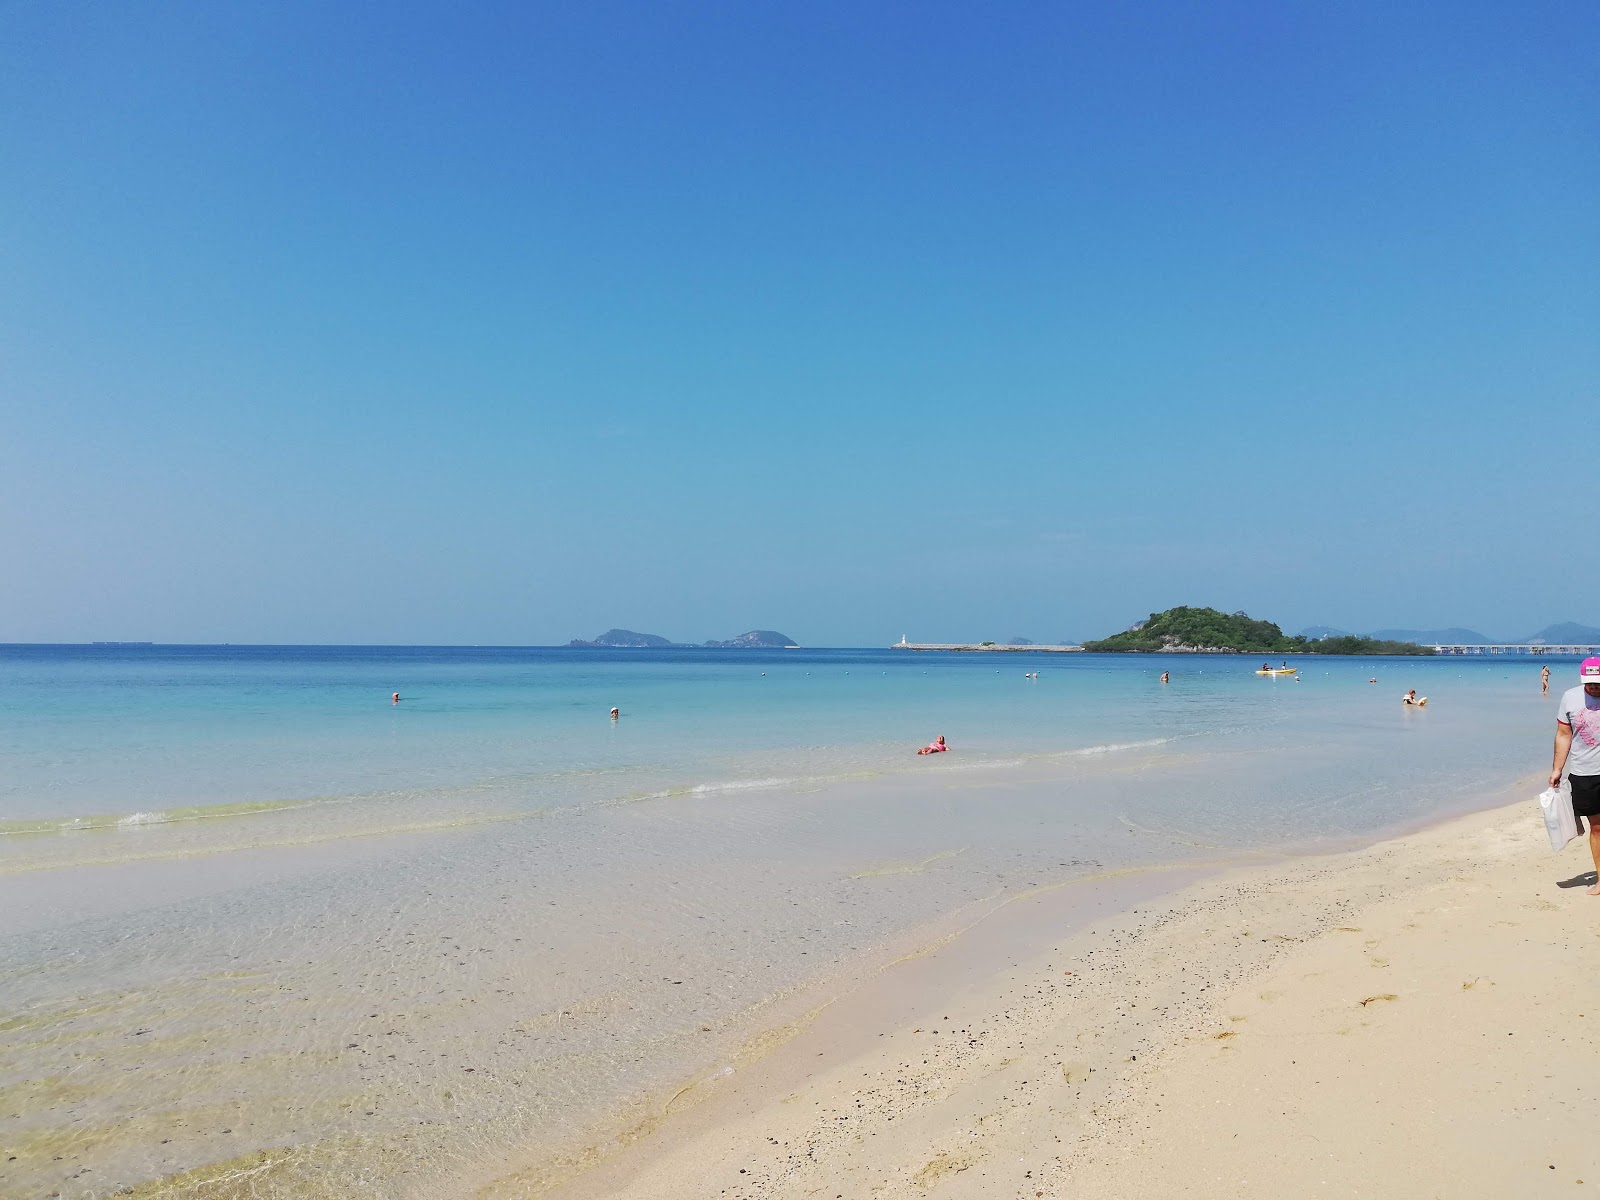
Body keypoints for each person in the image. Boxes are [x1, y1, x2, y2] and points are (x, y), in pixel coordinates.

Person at [1550, 658, 1600, 896]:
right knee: (1597, 828)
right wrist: (1557, 768)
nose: (1594, 687)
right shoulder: (1570, 698)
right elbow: (1563, 734)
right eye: (1590, 683)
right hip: (1585, 772)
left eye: (1598, 683)